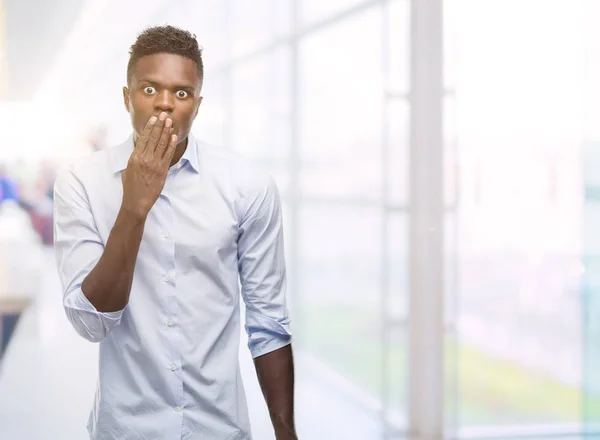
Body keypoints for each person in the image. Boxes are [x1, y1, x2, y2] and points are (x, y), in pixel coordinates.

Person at [53, 25, 296, 440]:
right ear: (127, 97)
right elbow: (91, 323)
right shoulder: (82, 181)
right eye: (149, 89)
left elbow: (268, 322)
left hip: (219, 427)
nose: (164, 104)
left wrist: (286, 432)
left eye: (181, 93)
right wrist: (134, 205)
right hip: (126, 428)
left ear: (197, 105)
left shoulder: (247, 185)